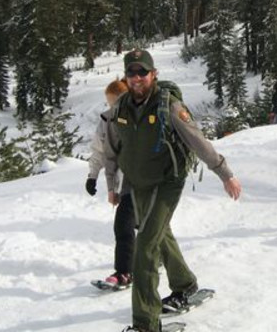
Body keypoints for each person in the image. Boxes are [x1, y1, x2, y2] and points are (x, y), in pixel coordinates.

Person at [103, 49, 242, 332]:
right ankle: (185, 284)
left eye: (143, 72)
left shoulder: (168, 106)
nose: (137, 77)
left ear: (154, 74)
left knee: (145, 249)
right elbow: (114, 150)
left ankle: (145, 324)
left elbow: (197, 141)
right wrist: (113, 186)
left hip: (166, 181)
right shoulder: (120, 109)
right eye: (132, 73)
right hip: (138, 183)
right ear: (126, 77)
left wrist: (225, 173)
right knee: (160, 234)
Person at [86, 79, 135, 290]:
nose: (112, 107)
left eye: (116, 102)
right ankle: (141, 262)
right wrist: (92, 176)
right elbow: (99, 151)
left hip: (142, 181)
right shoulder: (106, 121)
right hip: (123, 184)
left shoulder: (137, 118)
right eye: (109, 103)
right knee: (137, 225)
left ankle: (124, 271)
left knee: (125, 224)